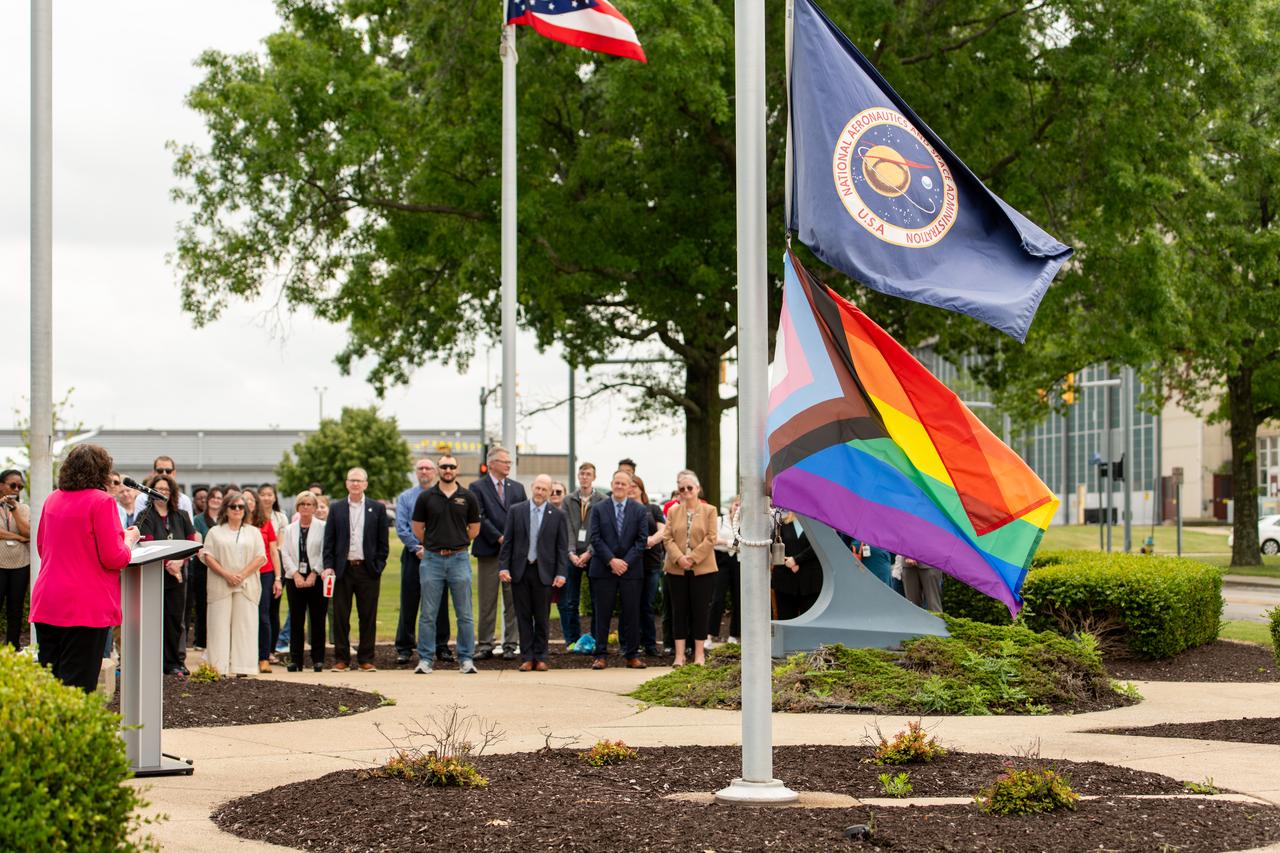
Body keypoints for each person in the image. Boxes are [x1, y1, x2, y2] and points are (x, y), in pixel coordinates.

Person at [29, 444, 140, 692]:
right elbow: (114, 557)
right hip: (84, 606)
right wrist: (129, 541)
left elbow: (41, 546)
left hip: (48, 600)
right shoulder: (101, 502)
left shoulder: (52, 498)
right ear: (101, 471)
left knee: (52, 688)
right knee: (77, 689)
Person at [411, 454, 480, 674]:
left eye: (451, 466)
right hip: (432, 559)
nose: (447, 469)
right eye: (443, 466)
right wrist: (433, 543)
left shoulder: (468, 497)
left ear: (457, 469)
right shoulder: (426, 497)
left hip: (459, 558)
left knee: (465, 613)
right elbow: (417, 527)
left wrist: (457, 542)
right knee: (428, 613)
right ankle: (425, 659)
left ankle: (466, 659)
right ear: (438, 470)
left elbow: (474, 529)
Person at [321, 467, 390, 672]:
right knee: (341, 616)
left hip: (368, 570)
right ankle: (342, 659)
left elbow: (382, 543)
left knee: (367, 616)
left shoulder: (377, 508)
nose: (355, 484)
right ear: (346, 483)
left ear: (366, 484)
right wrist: (329, 566)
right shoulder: (337, 508)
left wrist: (378, 566)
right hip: (343, 570)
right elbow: (329, 541)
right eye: (352, 480)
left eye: (359, 481)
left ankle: (366, 659)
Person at [498, 474, 568, 671]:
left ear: (549, 492)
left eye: (544, 490)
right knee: (523, 616)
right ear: (532, 488)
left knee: (542, 617)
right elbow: (508, 542)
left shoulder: (557, 515)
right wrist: (503, 566)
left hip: (544, 572)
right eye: (538, 488)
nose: (540, 492)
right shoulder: (516, 511)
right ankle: (527, 657)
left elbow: (562, 548)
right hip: (520, 571)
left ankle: (542, 656)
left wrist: (561, 573)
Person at [135, 474, 199, 675]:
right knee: (154, 619)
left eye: (166, 489)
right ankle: (152, 661)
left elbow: (192, 542)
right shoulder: (145, 516)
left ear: (172, 493)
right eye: (159, 489)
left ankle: (174, 662)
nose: (162, 492)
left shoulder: (181, 516)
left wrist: (179, 563)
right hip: (154, 576)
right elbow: (147, 543)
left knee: (175, 620)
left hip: (177, 577)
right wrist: (169, 564)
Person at [587, 470, 649, 670]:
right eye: (617, 483)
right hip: (604, 569)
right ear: (612, 484)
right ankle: (601, 655)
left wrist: (625, 563)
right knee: (602, 614)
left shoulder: (639, 510)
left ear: (630, 486)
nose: (620, 486)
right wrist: (612, 560)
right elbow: (594, 538)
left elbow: (641, 541)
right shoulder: (598, 508)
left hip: (631, 571)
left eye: (624, 483)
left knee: (631, 613)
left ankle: (632, 655)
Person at [200, 493, 266, 676]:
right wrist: (226, 574)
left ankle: (244, 668)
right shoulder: (215, 532)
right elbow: (207, 555)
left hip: (246, 585)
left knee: (246, 627)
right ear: (226, 509)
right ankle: (217, 668)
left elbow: (261, 556)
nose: (237, 510)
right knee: (218, 626)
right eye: (233, 506)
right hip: (220, 584)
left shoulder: (253, 532)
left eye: (241, 507)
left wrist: (242, 575)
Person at [394, 458, 452, 666]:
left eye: (428, 468)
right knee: (409, 600)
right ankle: (405, 647)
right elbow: (401, 527)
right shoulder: (406, 497)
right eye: (421, 468)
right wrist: (417, 548)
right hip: (413, 555)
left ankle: (441, 646)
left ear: (435, 472)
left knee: (440, 601)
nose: (424, 471)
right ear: (416, 473)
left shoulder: (444, 496)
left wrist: (433, 548)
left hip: (439, 555)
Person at [470, 446, 525, 660]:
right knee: (487, 600)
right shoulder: (477, 487)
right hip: (489, 551)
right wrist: (499, 537)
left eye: (510, 462)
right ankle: (485, 644)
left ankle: (511, 644)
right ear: (491, 463)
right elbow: (479, 516)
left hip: (512, 554)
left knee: (512, 600)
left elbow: (522, 517)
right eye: (505, 461)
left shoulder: (518, 488)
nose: (509, 465)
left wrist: (510, 540)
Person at [662, 470, 718, 667]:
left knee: (700, 611)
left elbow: (711, 538)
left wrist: (692, 559)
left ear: (697, 489)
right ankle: (679, 655)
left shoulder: (710, 510)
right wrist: (679, 558)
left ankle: (699, 654)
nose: (685, 491)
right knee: (679, 611)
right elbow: (667, 537)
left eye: (689, 488)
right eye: (681, 489)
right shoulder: (672, 511)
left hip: (702, 569)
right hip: (676, 569)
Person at [280, 491, 327, 672]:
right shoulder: (291, 529)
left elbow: (325, 552)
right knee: (296, 620)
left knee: (317, 620)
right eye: (302, 504)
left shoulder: (323, 527)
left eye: (309, 504)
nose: (306, 507)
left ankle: (318, 659)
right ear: (297, 507)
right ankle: (296, 660)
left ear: (315, 508)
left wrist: (314, 572)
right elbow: (285, 553)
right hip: (295, 579)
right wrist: (295, 574)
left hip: (317, 577)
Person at [562, 462, 604, 647]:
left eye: (588, 474)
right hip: (572, 555)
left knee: (597, 600)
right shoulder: (568, 500)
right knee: (571, 601)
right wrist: (571, 553)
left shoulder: (602, 500)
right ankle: (572, 640)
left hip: (594, 555)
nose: (584, 477)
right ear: (578, 476)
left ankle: (596, 639)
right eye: (582, 473)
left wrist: (589, 552)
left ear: (594, 477)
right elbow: (567, 528)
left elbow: (601, 530)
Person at [241, 489, 282, 673]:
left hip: (265, 573)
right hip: (242, 574)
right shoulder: (236, 523)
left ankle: (263, 657)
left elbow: (273, 551)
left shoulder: (264, 522)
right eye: (245, 499)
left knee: (263, 614)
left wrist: (278, 578)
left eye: (251, 500)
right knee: (244, 615)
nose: (249, 503)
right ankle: (245, 656)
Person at [630, 475, 666, 657]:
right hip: (631, 564)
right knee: (632, 605)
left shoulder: (652, 509)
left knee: (647, 605)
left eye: (635, 486)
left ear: (641, 488)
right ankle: (632, 644)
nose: (631, 489)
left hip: (651, 562)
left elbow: (663, 529)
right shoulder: (625, 510)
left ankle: (650, 644)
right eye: (629, 486)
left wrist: (650, 541)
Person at [188, 486, 223, 651]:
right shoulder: (198, 520)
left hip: (223, 568)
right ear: (208, 500)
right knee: (202, 605)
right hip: (203, 567)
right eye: (213, 497)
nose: (216, 500)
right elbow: (198, 545)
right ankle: (201, 641)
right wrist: (211, 562)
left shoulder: (225, 519)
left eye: (219, 497)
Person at [0, 469, 32, 649]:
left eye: (20, 486)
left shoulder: (24, 508)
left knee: (16, 608)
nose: (16, 489)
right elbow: (23, 536)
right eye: (13, 485)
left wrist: (15, 511)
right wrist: (18, 538)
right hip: (0, 563)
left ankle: (13, 647)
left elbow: (28, 531)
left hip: (20, 563)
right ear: (1, 485)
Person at [773, 512, 823, 620]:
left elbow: (818, 545)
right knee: (786, 620)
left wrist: (796, 560)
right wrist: (789, 562)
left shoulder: (818, 523)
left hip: (811, 582)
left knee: (810, 622)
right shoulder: (782, 522)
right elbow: (774, 544)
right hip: (785, 580)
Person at [259, 483, 289, 655]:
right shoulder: (253, 516)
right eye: (263, 494)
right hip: (258, 566)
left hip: (275, 566)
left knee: (272, 609)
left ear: (275, 497)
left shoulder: (280, 518)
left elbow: (280, 544)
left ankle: (270, 648)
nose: (266, 497)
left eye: (270, 494)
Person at [708, 495, 742, 646]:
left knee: (738, 599)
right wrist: (731, 543)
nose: (738, 508)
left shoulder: (747, 523)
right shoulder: (719, 521)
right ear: (731, 505)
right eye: (736, 505)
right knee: (717, 598)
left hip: (739, 561)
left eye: (741, 506)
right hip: (721, 560)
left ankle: (734, 635)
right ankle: (710, 634)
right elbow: (713, 540)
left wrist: (730, 544)